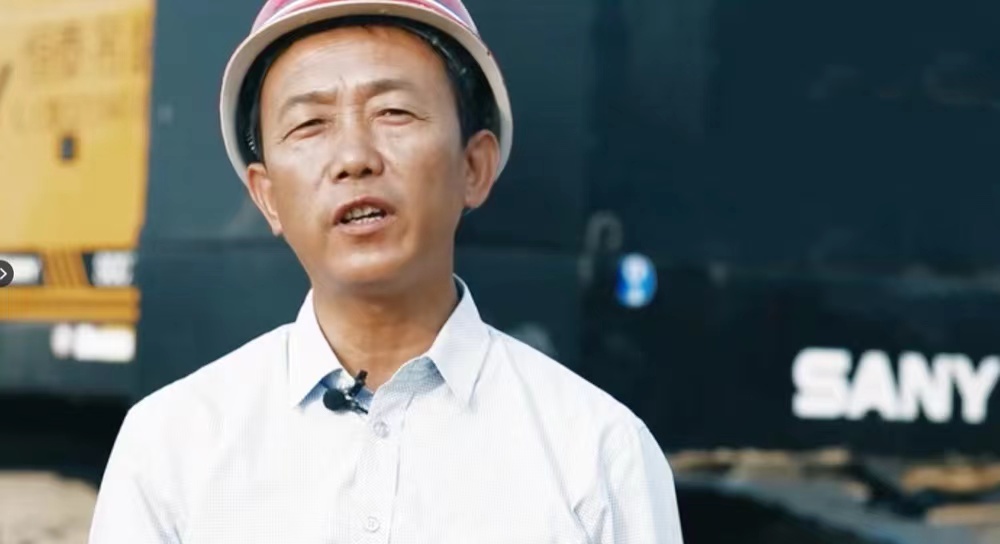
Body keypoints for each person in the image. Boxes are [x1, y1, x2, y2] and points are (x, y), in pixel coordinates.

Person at [88, 0, 685, 542]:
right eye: (309, 124)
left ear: (474, 168)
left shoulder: (600, 453)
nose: (354, 158)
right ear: (266, 196)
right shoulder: (169, 448)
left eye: (394, 112)